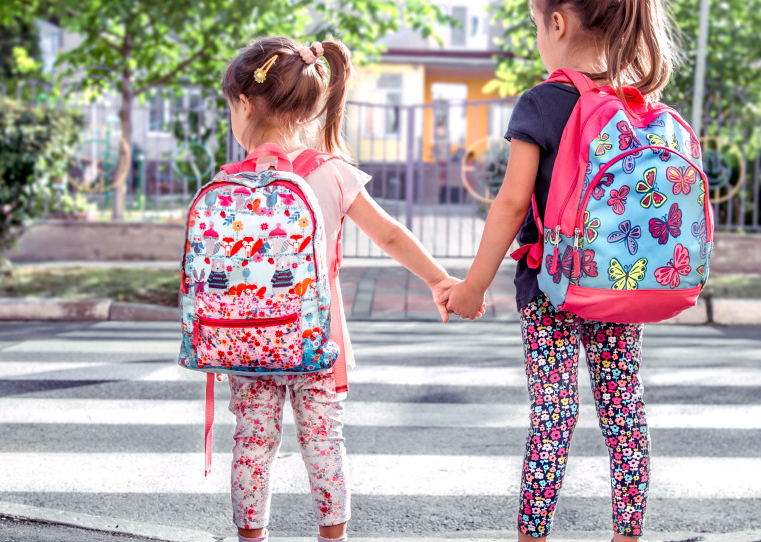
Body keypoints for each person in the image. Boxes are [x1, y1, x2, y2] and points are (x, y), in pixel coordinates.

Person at [219, 37, 473, 542]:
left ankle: (251, 537)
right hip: (317, 338)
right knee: (324, 442)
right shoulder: (333, 173)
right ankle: (332, 537)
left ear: (244, 104)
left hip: (249, 340)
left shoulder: (231, 182)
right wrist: (439, 279)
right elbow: (390, 234)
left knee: (252, 443)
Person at [446, 1, 681, 541]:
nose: (537, 36)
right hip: (622, 281)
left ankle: (534, 535)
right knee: (624, 408)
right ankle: (627, 534)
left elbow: (510, 203)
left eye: (535, 26)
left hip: (551, 287)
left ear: (557, 23)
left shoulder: (541, 103)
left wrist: (472, 286)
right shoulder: (636, 103)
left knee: (553, 414)